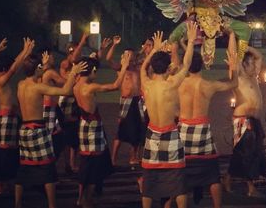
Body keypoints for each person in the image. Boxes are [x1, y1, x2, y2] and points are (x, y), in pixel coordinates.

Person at [15, 51, 86, 208]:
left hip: (24, 129)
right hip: (38, 129)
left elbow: (37, 76)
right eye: (41, 67)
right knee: (48, 169)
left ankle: (17, 203)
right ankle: (52, 205)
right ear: (37, 69)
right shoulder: (38, 87)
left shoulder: (21, 84)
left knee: (24, 167)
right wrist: (74, 73)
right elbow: (65, 91)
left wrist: (43, 64)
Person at [177, 32, 238, 208]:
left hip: (183, 130)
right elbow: (233, 84)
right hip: (202, 130)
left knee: (180, 173)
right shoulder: (209, 85)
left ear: (187, 66)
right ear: (202, 65)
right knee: (212, 174)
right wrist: (233, 67)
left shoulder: (178, 83)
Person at [139, 22, 197, 208]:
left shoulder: (146, 83)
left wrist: (153, 51)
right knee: (178, 183)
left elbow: (142, 69)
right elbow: (187, 63)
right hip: (170, 133)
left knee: (149, 180)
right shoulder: (171, 83)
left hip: (152, 134)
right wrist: (192, 41)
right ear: (167, 67)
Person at [73, 53, 130, 208]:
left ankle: (81, 198)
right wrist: (124, 67)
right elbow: (115, 86)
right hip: (92, 129)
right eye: (95, 71)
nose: (96, 74)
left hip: (83, 126)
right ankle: (87, 200)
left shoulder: (76, 84)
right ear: (91, 71)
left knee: (86, 163)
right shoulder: (89, 87)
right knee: (94, 165)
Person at [223, 45, 266, 197]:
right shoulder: (240, 76)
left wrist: (246, 46)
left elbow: (260, 56)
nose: (255, 65)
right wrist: (234, 43)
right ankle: (251, 188)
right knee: (247, 153)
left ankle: (228, 179)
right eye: (251, 63)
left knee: (245, 153)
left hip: (253, 120)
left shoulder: (253, 76)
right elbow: (234, 61)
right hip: (243, 120)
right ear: (244, 65)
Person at [0, 37, 34, 194]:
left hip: (9, 118)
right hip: (5, 119)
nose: (12, 67)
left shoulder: (2, 76)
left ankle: (6, 183)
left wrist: (26, 51)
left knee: (11, 151)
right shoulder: (0, 80)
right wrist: (25, 51)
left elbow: (14, 66)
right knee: (5, 152)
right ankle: (0, 184)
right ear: (5, 67)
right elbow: (13, 68)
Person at [106, 36, 146, 166]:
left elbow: (145, 60)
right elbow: (108, 59)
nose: (129, 57)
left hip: (137, 101)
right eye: (126, 55)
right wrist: (114, 45)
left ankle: (133, 156)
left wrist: (145, 49)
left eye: (131, 55)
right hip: (126, 101)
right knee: (121, 131)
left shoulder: (137, 67)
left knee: (138, 129)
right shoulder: (120, 68)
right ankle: (113, 158)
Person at [59, 33, 89, 173]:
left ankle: (71, 163)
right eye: (76, 50)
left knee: (75, 134)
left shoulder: (77, 64)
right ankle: (68, 163)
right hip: (67, 100)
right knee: (67, 134)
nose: (79, 53)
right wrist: (83, 40)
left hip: (75, 100)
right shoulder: (66, 64)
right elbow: (70, 80)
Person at [41, 50, 67, 160]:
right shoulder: (49, 72)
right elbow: (63, 82)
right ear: (46, 56)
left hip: (50, 107)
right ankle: (50, 161)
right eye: (52, 56)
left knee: (57, 134)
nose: (54, 58)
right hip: (49, 108)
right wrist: (75, 75)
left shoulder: (40, 71)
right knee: (53, 136)